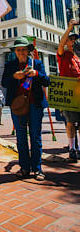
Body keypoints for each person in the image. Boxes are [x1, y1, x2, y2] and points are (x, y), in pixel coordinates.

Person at [2, 36, 50, 181]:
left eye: (24, 50)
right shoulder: (10, 65)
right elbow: (4, 82)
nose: (21, 52)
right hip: (17, 106)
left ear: (29, 51)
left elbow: (47, 81)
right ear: (15, 52)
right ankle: (24, 168)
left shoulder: (37, 63)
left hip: (35, 105)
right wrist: (14, 77)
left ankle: (37, 168)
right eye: (18, 50)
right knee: (21, 138)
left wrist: (36, 74)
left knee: (35, 137)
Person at [57, 19, 80, 163]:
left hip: (79, 93)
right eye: (70, 39)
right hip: (68, 93)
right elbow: (61, 43)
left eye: (75, 39)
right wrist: (70, 27)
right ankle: (72, 148)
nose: (73, 41)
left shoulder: (78, 57)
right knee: (70, 122)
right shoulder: (62, 54)